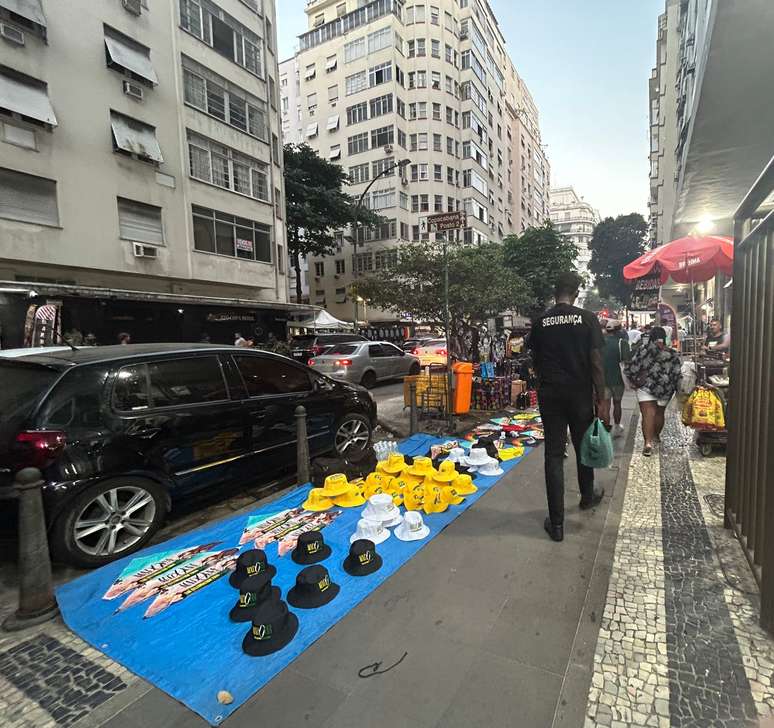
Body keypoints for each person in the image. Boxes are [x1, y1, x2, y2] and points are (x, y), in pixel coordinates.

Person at [528, 272, 606, 543]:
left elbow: (535, 362)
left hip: (551, 395)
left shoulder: (540, 323)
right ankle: (587, 497)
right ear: (576, 292)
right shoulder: (587, 319)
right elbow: (596, 361)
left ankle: (557, 524)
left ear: (554, 292)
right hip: (580, 395)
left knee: (553, 455)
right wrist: (602, 397)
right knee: (584, 445)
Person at [624, 326, 681, 457]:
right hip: (665, 388)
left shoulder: (643, 351)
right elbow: (677, 372)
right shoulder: (672, 353)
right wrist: (677, 389)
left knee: (648, 415)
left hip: (645, 387)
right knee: (660, 414)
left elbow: (631, 368)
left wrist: (633, 382)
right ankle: (656, 436)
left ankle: (648, 443)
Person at [601, 319, 630, 438]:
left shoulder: (600, 343)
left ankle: (605, 430)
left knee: (605, 405)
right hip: (618, 379)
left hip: (602, 379)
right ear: (618, 330)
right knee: (617, 403)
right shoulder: (622, 343)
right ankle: (617, 426)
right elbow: (627, 360)